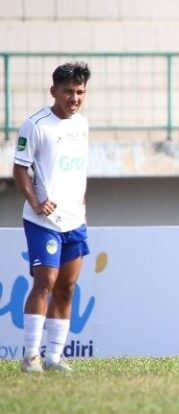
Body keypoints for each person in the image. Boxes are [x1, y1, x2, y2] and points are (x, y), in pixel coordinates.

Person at [14, 62, 91, 373]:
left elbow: (77, 170)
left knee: (68, 287)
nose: (74, 98)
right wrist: (35, 202)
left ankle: (55, 357)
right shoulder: (35, 125)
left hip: (75, 220)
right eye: (69, 92)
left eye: (80, 92)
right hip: (43, 220)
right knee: (45, 281)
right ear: (54, 92)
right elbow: (20, 168)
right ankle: (31, 355)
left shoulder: (82, 124)